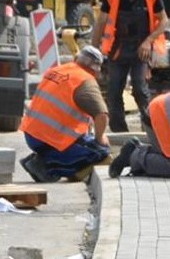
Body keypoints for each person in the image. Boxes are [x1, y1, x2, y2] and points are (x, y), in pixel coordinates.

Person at [92, 0, 170, 134]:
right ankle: (120, 132)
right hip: (118, 48)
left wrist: (148, 41)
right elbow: (101, 21)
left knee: (140, 90)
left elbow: (164, 21)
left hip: (141, 48)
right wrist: (94, 49)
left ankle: (150, 129)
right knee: (113, 92)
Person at [19, 45, 111, 183]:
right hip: (50, 139)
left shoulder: (58, 70)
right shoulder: (85, 81)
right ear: (96, 68)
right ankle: (48, 166)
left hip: (31, 134)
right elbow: (102, 115)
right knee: (101, 152)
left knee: (87, 139)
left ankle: (43, 158)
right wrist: (100, 138)